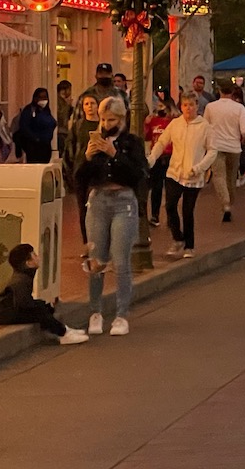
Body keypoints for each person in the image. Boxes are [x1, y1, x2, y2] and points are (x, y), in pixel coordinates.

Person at [75, 96, 149, 336]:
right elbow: (78, 178)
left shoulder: (132, 142)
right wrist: (86, 157)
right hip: (98, 201)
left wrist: (115, 154)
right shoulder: (95, 141)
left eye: (112, 119)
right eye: (104, 119)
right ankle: (95, 312)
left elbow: (139, 174)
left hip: (123, 201)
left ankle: (121, 315)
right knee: (97, 260)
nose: (107, 124)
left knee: (120, 260)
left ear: (122, 119)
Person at [147, 93, 216, 260]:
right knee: (170, 206)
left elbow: (212, 150)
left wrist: (200, 167)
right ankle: (177, 237)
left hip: (193, 174)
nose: (188, 108)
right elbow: (162, 142)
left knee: (188, 211)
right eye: (185, 105)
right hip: (175, 172)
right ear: (181, 107)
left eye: (191, 105)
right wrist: (152, 157)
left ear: (196, 106)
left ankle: (189, 245)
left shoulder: (204, 126)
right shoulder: (175, 124)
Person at [0, 243, 89, 344]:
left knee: (45, 306)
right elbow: (24, 303)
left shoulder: (24, 275)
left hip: (12, 308)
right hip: (5, 314)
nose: (38, 258)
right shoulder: (21, 280)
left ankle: (64, 329)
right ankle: (63, 333)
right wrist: (39, 308)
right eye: (35, 256)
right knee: (41, 313)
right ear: (29, 263)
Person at [203, 85, 245, 223]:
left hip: (215, 146)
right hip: (234, 147)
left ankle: (225, 204)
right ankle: (230, 201)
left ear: (219, 91)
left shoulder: (211, 107)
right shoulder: (239, 108)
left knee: (219, 176)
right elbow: (244, 131)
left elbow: (205, 127)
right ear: (232, 92)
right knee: (231, 177)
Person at [66, 95, 101, 244]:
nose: (89, 106)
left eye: (92, 103)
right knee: (83, 208)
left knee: (96, 207)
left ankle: (98, 240)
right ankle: (86, 242)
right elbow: (70, 146)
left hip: (97, 171)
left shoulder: (102, 125)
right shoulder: (78, 125)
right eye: (86, 104)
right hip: (81, 170)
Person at [143, 93, 175, 226]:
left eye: (162, 106)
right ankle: (155, 215)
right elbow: (146, 136)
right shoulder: (154, 121)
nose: (159, 109)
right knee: (156, 188)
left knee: (170, 189)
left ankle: (171, 216)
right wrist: (146, 124)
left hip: (170, 157)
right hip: (156, 157)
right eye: (158, 106)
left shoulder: (173, 122)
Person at [12, 87, 57, 165]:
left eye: (45, 97)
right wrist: (36, 139)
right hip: (33, 148)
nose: (43, 99)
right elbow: (24, 127)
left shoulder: (46, 111)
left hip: (46, 147)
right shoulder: (29, 110)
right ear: (35, 98)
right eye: (41, 97)